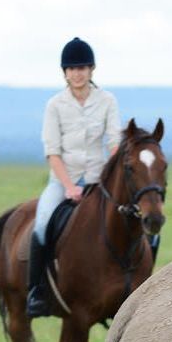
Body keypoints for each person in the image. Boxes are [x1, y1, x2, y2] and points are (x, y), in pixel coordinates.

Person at [27, 37, 121, 317]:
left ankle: (133, 285)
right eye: (71, 68)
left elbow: (114, 142)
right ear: (64, 72)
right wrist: (68, 187)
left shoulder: (107, 101)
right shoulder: (54, 105)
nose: (77, 73)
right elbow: (52, 151)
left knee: (131, 218)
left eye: (82, 67)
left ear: (91, 70)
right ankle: (37, 292)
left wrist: (111, 173)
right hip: (62, 181)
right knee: (42, 223)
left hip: (97, 179)